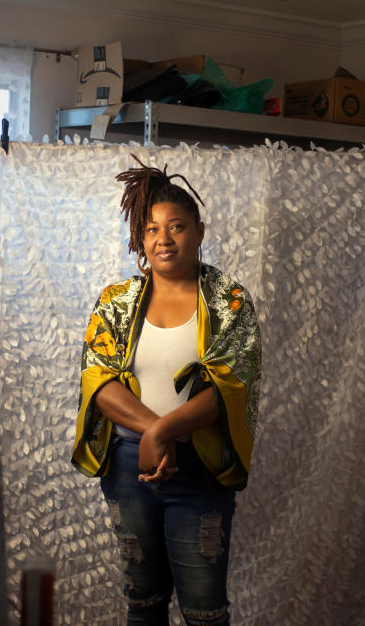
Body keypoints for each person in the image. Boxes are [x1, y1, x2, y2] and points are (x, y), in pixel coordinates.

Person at [72, 155, 262, 626]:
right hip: (127, 469)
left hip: (200, 470)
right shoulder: (116, 302)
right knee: (143, 602)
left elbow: (230, 386)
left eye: (176, 226)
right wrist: (155, 433)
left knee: (204, 611)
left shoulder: (228, 301)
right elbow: (98, 380)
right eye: (153, 229)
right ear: (140, 238)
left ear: (198, 231)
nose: (164, 238)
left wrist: (167, 432)